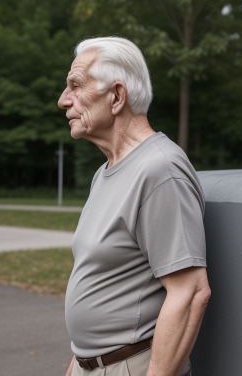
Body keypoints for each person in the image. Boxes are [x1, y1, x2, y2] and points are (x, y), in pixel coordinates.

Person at [58, 36, 211, 376]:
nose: (63, 100)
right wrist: (79, 363)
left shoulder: (160, 169)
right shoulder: (106, 172)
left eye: (75, 85)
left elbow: (190, 293)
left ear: (116, 96)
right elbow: (101, 279)